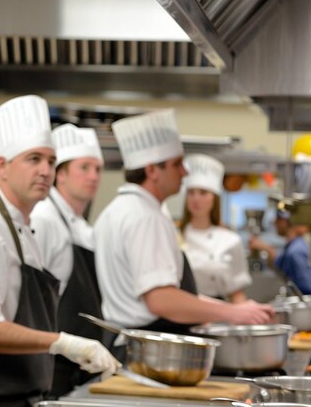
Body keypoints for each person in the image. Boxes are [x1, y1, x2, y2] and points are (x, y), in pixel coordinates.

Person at [0, 95, 118, 407]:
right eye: (33, 159)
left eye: (51, 161)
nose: (45, 170)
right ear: (3, 166)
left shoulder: (25, 229)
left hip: (18, 394)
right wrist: (62, 343)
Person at [93, 109, 273, 362]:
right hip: (149, 353)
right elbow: (162, 300)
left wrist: (233, 308)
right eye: (177, 164)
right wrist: (233, 314)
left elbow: (168, 292)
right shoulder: (146, 217)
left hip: (130, 347)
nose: (184, 173)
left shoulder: (115, 210)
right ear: (153, 170)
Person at [30, 123, 105, 397]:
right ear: (60, 175)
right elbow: (35, 300)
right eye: (84, 167)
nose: (94, 176)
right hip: (53, 361)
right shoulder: (44, 218)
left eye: (98, 168)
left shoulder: (84, 229)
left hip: (79, 362)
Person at [180, 153, 252, 303]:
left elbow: (237, 294)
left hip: (219, 314)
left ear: (214, 198)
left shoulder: (230, 240)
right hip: (182, 310)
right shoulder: (175, 236)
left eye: (203, 193)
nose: (196, 199)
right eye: (191, 192)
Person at [249, 209, 311, 295]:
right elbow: (278, 264)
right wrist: (266, 248)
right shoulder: (292, 246)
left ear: (284, 221)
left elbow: (307, 286)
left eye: (277, 219)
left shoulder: (295, 251)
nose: (274, 223)